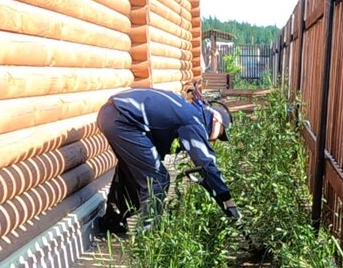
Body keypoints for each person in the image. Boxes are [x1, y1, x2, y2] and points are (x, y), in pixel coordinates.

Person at [96, 87, 240, 236]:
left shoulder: (186, 110)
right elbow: (206, 163)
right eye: (220, 134)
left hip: (112, 113)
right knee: (157, 179)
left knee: (132, 172)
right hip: (123, 119)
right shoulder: (194, 120)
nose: (214, 139)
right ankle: (148, 238)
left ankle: (111, 223)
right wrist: (227, 200)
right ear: (216, 120)